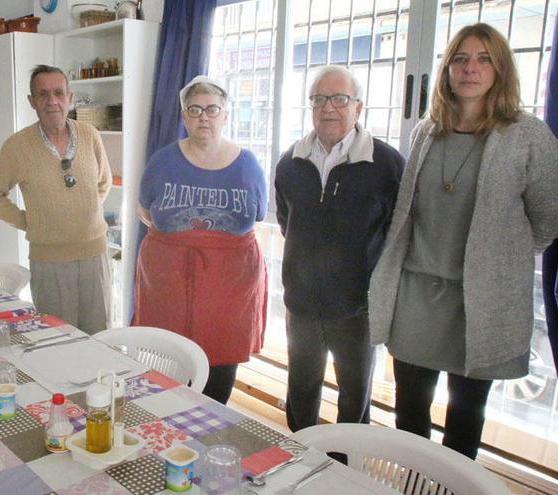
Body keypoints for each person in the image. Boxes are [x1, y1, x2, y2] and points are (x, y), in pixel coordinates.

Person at [369, 23, 558, 459]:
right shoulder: (426, 131)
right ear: (447, 69)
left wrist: (498, 259)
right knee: (410, 412)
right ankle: (415, 485)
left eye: (483, 58)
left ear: (501, 69)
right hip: (417, 295)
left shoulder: (528, 136)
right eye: (460, 58)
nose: (470, 69)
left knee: (466, 415)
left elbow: (547, 219)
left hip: (480, 302)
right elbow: (407, 210)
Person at [274, 66, 404, 432]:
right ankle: (302, 457)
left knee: (354, 397)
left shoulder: (387, 164)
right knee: (301, 390)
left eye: (339, 99)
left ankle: (348, 473)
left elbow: (396, 231)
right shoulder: (290, 162)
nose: (328, 108)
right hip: (301, 305)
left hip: (357, 308)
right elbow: (288, 221)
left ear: (358, 108)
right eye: (319, 99)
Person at [134, 75, 268, 404]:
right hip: (169, 283)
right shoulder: (161, 161)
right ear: (184, 117)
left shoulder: (248, 164)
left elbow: (259, 215)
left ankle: (210, 427)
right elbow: (145, 211)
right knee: (168, 369)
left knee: (219, 371)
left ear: (226, 115)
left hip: (230, 287)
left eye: (212, 109)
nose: (203, 117)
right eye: (194, 110)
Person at [0, 65, 112, 334]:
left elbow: (103, 182)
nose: (52, 101)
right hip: (49, 262)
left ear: (70, 97)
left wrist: (86, 213)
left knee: (100, 336)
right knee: (56, 338)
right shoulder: (17, 146)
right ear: (32, 101)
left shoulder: (90, 135)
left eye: (58, 93)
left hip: (95, 256)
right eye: (43, 94)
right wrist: (29, 221)